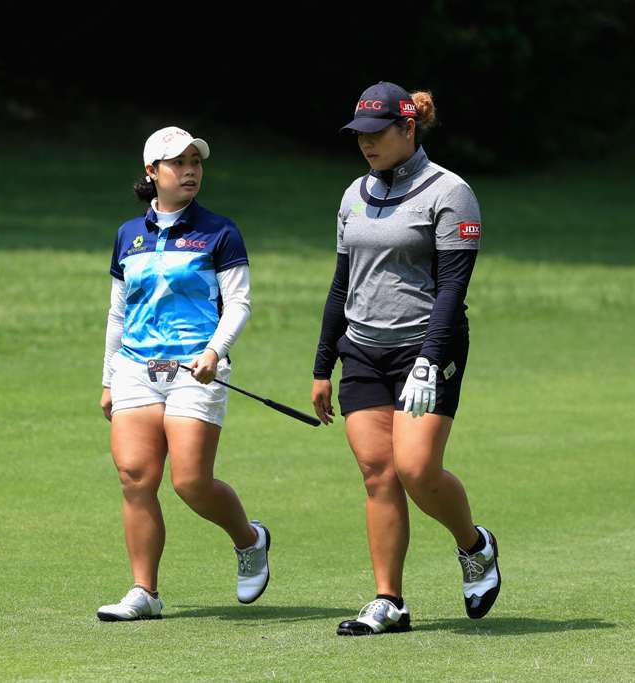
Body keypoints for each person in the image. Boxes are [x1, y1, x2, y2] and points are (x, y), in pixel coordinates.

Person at [311, 82, 501, 636]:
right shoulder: (353, 194)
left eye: (376, 134)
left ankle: (475, 545)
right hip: (363, 351)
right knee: (378, 475)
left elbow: (451, 289)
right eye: (359, 136)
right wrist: (324, 365)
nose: (366, 145)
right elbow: (341, 283)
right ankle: (388, 600)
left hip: (426, 347)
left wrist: (428, 358)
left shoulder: (450, 192)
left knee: (417, 469)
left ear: (407, 128)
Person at [97, 126, 271, 621]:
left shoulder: (219, 231)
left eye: (196, 162)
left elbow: (237, 303)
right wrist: (109, 377)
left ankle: (250, 539)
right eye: (178, 163)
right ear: (152, 173)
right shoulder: (127, 235)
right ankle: (144, 591)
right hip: (135, 367)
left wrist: (215, 351)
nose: (190, 170)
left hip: (197, 367)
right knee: (135, 477)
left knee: (191, 482)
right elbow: (117, 312)